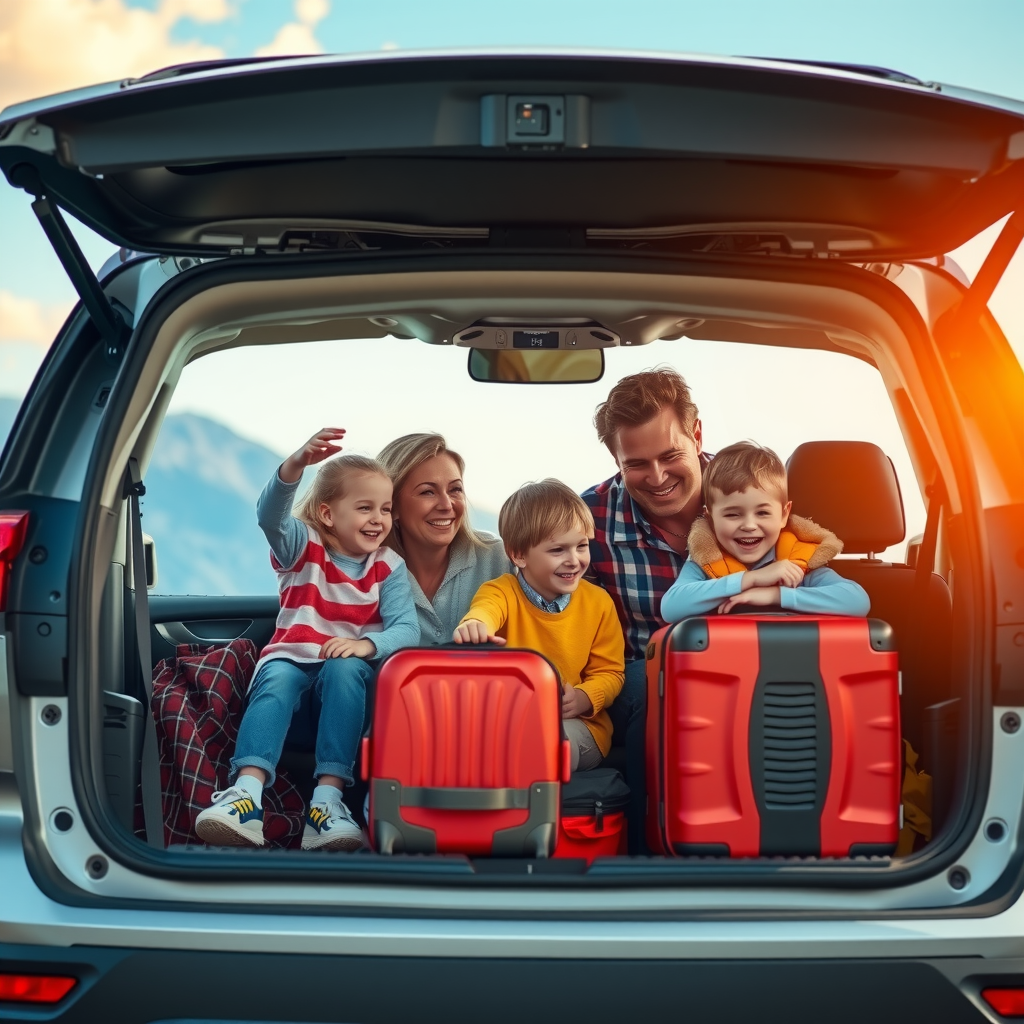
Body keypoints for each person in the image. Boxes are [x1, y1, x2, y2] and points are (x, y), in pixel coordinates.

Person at [196, 428, 419, 851]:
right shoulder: (302, 546)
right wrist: (295, 465)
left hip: (344, 687)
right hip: (293, 669)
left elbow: (407, 629)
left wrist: (365, 645)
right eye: (365, 507)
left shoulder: (389, 565)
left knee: (347, 668)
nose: (378, 519)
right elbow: (269, 516)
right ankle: (245, 795)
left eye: (386, 509)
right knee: (277, 676)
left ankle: (327, 803)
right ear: (329, 514)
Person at [581, 367, 710, 846]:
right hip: (640, 684)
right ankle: (645, 848)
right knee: (652, 678)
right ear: (615, 457)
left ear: (696, 436)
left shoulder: (751, 496)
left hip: (751, 675)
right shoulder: (588, 520)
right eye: (636, 463)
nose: (657, 478)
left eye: (670, 455)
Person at [453, 480, 624, 770]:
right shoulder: (501, 591)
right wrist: (476, 624)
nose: (574, 560)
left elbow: (611, 672)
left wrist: (584, 697)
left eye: (582, 546)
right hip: (510, 724)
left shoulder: (599, 602)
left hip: (576, 725)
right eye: (558, 550)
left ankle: (534, 809)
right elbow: (485, 611)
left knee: (549, 743)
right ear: (519, 555)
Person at [661, 441, 870, 620]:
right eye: (732, 514)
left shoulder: (799, 563)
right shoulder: (705, 563)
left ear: (784, 515)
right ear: (710, 518)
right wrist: (751, 580)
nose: (749, 525)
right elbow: (671, 607)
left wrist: (776, 595)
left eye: (762, 513)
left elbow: (857, 600)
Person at [377, 433, 512, 645]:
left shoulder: (501, 558)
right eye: (428, 492)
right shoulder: (366, 571)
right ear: (391, 505)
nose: (447, 504)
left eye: (455, 489)